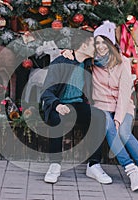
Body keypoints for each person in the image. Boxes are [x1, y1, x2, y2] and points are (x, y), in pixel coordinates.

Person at [62, 21, 138, 194]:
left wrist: (118, 117)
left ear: (111, 43)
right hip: (101, 106)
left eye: (104, 42)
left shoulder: (123, 62)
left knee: (123, 132)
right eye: (98, 42)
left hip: (123, 106)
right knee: (108, 126)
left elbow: (125, 94)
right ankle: (131, 171)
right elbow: (77, 54)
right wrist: (66, 52)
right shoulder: (91, 62)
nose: (101, 46)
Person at [40, 30, 112, 184]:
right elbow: (46, 91)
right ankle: (55, 164)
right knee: (55, 118)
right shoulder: (60, 62)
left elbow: (112, 57)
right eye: (94, 44)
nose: (97, 48)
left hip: (78, 104)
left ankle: (93, 165)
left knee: (98, 117)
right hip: (59, 103)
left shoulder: (88, 63)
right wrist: (57, 105)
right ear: (83, 45)